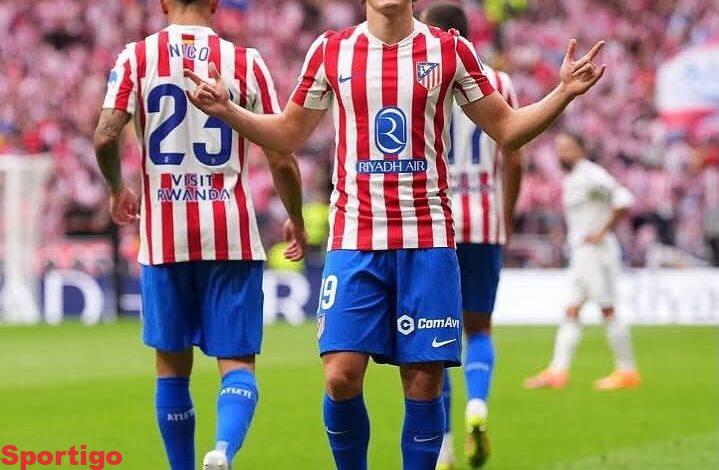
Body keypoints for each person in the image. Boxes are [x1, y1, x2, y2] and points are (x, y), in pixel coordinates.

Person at [183, 0, 606, 467]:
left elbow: (507, 130)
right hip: (355, 239)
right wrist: (228, 111)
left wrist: (563, 92)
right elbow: (287, 133)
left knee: (423, 383)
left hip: (426, 241)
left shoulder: (449, 51)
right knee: (340, 375)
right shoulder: (331, 50)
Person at [93, 1, 306, 469]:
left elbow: (105, 136)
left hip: (164, 238)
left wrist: (115, 189)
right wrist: (296, 216)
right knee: (238, 364)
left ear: (163, 3)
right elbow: (281, 155)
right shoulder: (246, 63)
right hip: (232, 234)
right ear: (214, 4)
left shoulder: (136, 57)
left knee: (172, 367)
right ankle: (223, 450)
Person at [421, 2, 523, 468]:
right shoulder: (500, 82)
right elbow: (514, 155)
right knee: (479, 328)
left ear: (438, 31)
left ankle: (442, 447)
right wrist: (506, 214)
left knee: (434, 336)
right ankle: (477, 405)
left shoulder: (422, 77)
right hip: (484, 219)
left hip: (434, 221)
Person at [524, 132, 641, 391]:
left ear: (581, 148)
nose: (561, 154)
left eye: (567, 148)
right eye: (559, 148)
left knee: (607, 308)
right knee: (572, 310)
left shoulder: (590, 174)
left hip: (596, 253)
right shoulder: (575, 176)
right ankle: (557, 372)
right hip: (582, 254)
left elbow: (624, 199)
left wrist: (602, 232)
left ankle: (627, 371)